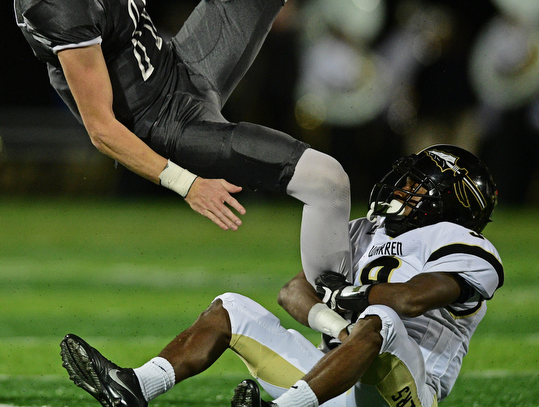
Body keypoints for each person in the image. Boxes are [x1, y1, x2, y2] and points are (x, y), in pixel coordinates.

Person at [14, 0, 505, 285]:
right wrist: (187, 185)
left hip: (180, 65)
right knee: (328, 181)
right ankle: (338, 327)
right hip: (164, 126)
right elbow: (101, 128)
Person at [59, 144, 503, 407]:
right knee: (231, 307)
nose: (404, 189)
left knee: (383, 319)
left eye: (419, 185)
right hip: (332, 378)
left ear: (455, 202)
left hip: (403, 390)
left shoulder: (467, 244)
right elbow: (293, 291)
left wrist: (346, 297)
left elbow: (408, 300)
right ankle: (135, 386)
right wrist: (334, 322)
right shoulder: (365, 231)